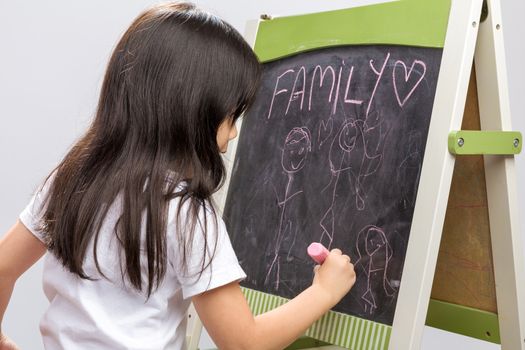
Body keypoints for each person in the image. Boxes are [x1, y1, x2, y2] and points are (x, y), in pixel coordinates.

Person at [0, 2, 356, 349]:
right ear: (193, 111)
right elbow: (244, 342)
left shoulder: (73, 177)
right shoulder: (185, 213)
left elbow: (3, 266)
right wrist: (322, 292)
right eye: (230, 116)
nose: (232, 134)